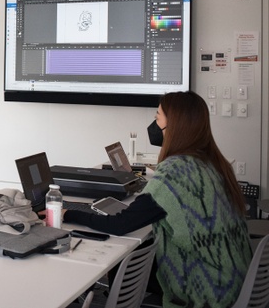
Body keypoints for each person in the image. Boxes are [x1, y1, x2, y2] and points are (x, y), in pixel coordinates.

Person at [62, 91, 251, 308]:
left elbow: (120, 224)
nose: (154, 123)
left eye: (157, 116)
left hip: (206, 290)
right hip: (233, 279)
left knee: (120, 258)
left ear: (174, 126)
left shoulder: (174, 172)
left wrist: (70, 213)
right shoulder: (213, 163)